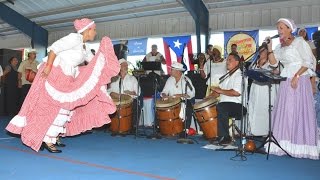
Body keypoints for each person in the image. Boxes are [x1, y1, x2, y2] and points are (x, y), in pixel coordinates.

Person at [6, 18, 120, 153]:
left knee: (65, 108)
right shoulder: (74, 38)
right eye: (94, 30)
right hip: (55, 72)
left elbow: (93, 63)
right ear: (88, 30)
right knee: (55, 107)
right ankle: (47, 139)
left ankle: (51, 137)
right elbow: (54, 49)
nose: (95, 33)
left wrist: (105, 52)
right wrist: (48, 67)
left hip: (68, 76)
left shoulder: (85, 47)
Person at [266, 18, 319, 159]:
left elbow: (308, 61)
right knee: (286, 111)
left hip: (299, 79)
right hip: (286, 80)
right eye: (278, 28)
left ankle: (300, 142)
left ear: (290, 29)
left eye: (282, 28)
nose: (279, 31)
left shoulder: (299, 42)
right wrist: (270, 48)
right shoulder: (279, 47)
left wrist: (297, 75)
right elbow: (273, 64)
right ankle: (285, 143)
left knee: (298, 110)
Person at [211, 53, 247, 145]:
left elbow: (236, 92)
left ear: (237, 62)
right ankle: (216, 134)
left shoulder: (240, 75)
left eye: (229, 60)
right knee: (215, 106)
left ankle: (225, 137)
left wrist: (220, 90)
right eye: (227, 60)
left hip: (239, 106)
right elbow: (217, 92)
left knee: (221, 106)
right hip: (225, 105)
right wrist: (207, 99)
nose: (227, 62)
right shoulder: (226, 76)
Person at [247, 45, 279, 136]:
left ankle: (266, 131)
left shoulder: (271, 62)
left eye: (263, 51)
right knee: (254, 106)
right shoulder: (254, 62)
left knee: (265, 108)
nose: (261, 52)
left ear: (267, 52)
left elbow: (276, 71)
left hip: (266, 88)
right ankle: (254, 130)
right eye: (260, 51)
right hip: (255, 87)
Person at [161, 62, 195, 134]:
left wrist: (180, 95)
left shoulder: (186, 80)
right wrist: (164, 95)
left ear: (177, 71)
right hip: (171, 101)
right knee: (159, 106)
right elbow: (164, 91)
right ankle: (160, 127)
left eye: (172, 69)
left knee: (188, 107)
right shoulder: (170, 79)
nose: (170, 71)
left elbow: (192, 93)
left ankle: (186, 130)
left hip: (183, 100)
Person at [108, 58, 141, 130]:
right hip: (116, 101)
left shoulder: (132, 79)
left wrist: (130, 92)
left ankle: (133, 126)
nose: (126, 67)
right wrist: (115, 94)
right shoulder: (113, 79)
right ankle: (111, 125)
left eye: (127, 66)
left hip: (130, 100)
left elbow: (138, 92)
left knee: (136, 106)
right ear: (119, 67)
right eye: (124, 65)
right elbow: (108, 91)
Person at [298, 28, 318, 94]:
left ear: (306, 33)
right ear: (298, 33)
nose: (302, 32)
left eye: (304, 31)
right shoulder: (296, 43)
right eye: (301, 31)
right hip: (299, 63)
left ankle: (312, 94)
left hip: (310, 63)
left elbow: (314, 54)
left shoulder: (310, 42)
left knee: (311, 79)